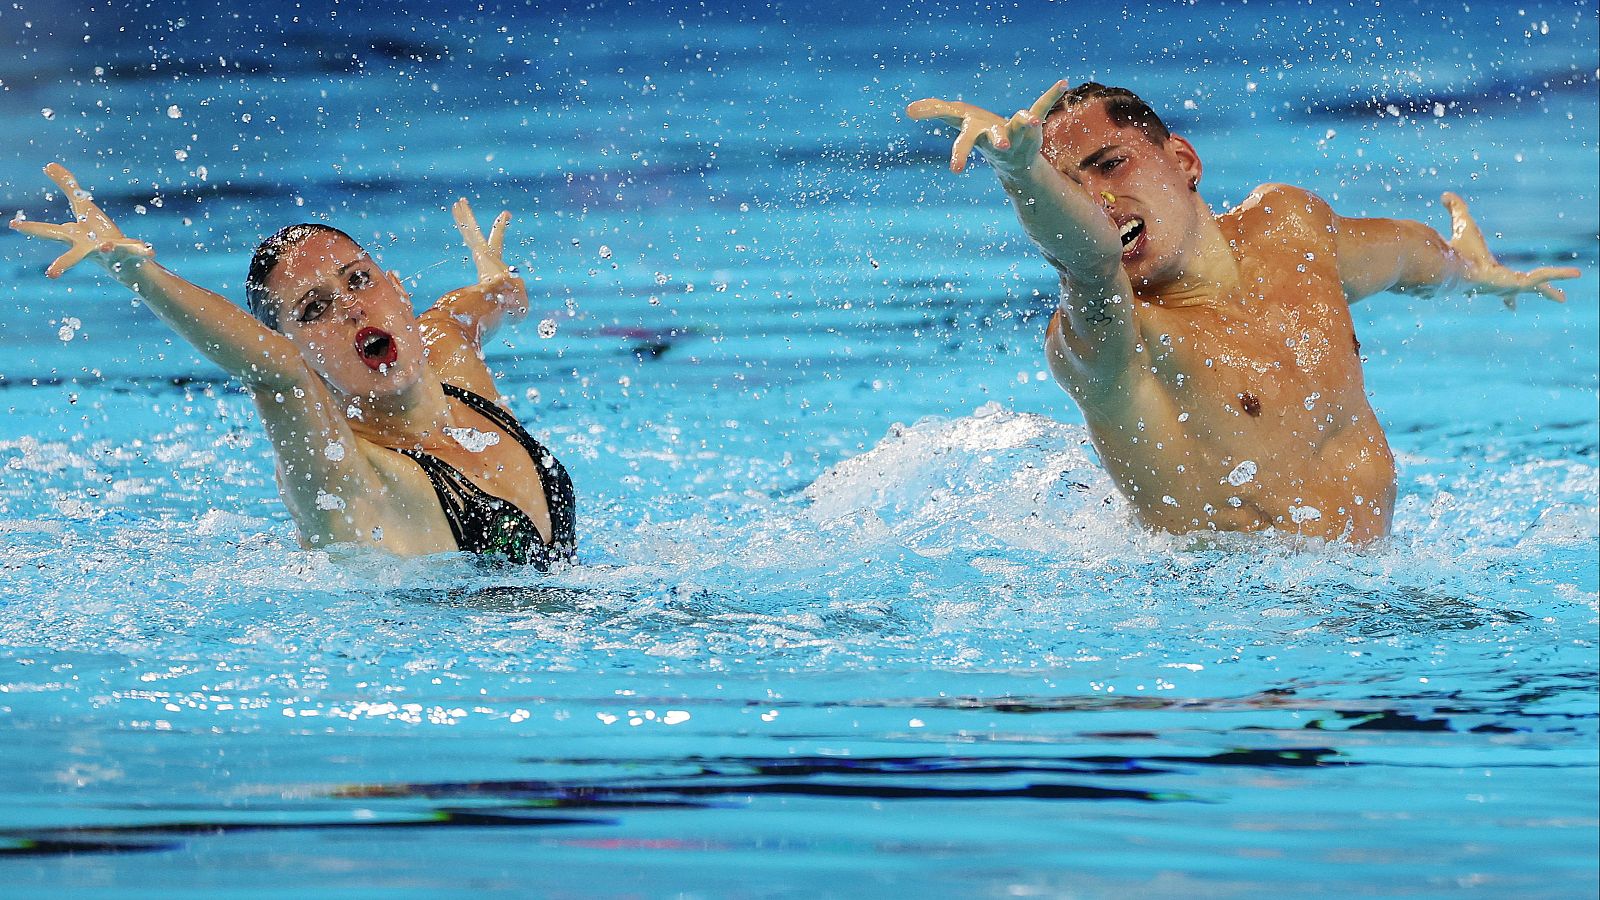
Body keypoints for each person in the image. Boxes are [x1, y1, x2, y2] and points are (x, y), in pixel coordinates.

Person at [907, 82, 1580, 543]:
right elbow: (1088, 261)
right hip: (1237, 645)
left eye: (1110, 165)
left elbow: (1403, 255)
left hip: (1371, 600)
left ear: (1183, 161)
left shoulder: (1291, 232)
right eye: (1070, 188)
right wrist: (1022, 172)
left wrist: (1471, 274)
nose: (1096, 202)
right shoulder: (1119, 338)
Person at [11, 163, 576, 568]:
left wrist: (503, 287)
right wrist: (136, 272)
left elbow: (482, 304)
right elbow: (275, 371)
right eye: (314, 309)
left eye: (358, 280)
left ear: (399, 291)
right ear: (299, 350)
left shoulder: (448, 354)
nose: (352, 307)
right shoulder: (345, 476)